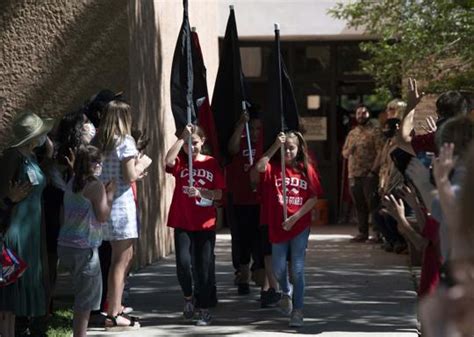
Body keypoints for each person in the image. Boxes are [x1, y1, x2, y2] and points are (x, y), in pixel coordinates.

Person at [256, 131, 322, 327]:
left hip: (298, 224)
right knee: (277, 268)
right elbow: (259, 166)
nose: (288, 151)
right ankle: (286, 291)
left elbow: (314, 197)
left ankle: (298, 310)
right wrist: (276, 145)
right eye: (285, 148)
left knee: (298, 270)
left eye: (291, 148)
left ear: (299, 149)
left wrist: (295, 218)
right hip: (278, 225)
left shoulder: (306, 169)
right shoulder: (274, 168)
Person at [97, 100, 151, 330]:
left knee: (116, 260)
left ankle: (113, 309)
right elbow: (129, 175)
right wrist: (142, 165)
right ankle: (114, 313)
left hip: (104, 204)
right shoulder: (125, 141)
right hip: (121, 206)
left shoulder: (99, 141)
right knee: (122, 260)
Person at [164, 124, 225, 326]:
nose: (192, 147)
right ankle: (188, 298)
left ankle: (204, 308)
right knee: (183, 263)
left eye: (195, 143)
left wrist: (200, 192)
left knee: (203, 268)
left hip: (205, 223)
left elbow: (219, 194)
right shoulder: (181, 162)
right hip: (183, 220)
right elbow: (167, 160)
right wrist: (182, 138)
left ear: (203, 142)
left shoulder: (212, 163)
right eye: (189, 144)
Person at [0, 112, 54, 337]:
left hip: (31, 229)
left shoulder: (30, 156)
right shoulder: (12, 157)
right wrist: (8, 199)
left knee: (29, 278)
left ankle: (21, 327)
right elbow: (3, 191)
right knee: (12, 288)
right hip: (16, 229)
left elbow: (41, 179)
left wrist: (49, 153)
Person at [57, 145, 116, 336]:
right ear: (90, 164)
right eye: (97, 162)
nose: (100, 166)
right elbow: (102, 216)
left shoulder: (72, 182)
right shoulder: (95, 185)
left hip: (66, 245)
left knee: (81, 296)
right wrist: (110, 195)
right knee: (85, 301)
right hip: (85, 248)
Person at [226, 111, 264, 295]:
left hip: (259, 200)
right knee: (241, 240)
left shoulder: (265, 143)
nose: (255, 133)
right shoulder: (241, 139)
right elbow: (231, 149)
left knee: (259, 239)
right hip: (240, 198)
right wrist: (242, 124)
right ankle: (242, 275)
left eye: (258, 128)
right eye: (252, 128)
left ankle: (259, 272)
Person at [342, 106, 383, 242]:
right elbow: (344, 153)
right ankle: (362, 233)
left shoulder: (375, 132)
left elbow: (380, 152)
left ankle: (377, 234)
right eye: (358, 113)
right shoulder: (352, 133)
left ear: (368, 114)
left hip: (369, 174)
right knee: (359, 205)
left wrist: (373, 171)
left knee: (373, 204)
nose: (361, 115)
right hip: (354, 174)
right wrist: (349, 150)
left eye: (363, 113)